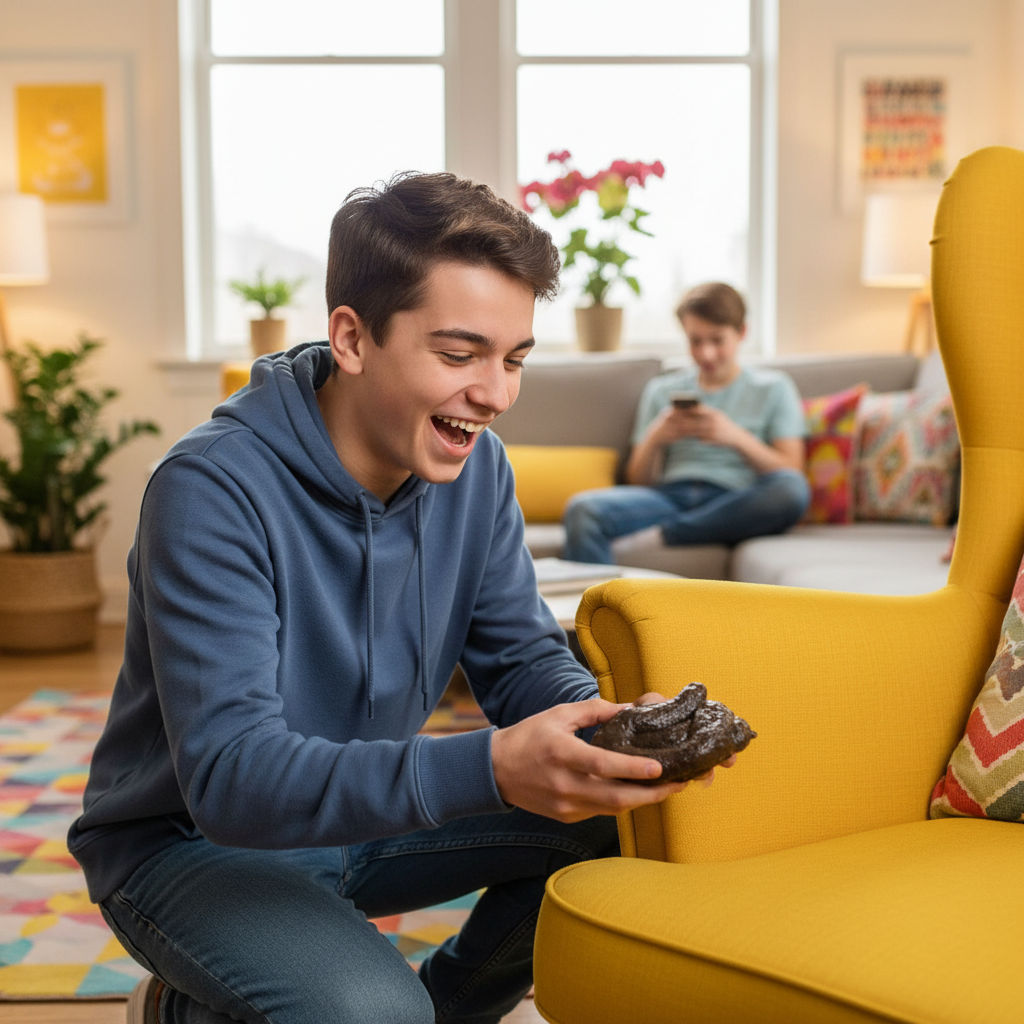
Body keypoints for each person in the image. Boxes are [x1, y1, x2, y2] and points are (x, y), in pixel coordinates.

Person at [68, 173, 738, 1024]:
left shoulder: (477, 467)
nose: (494, 394)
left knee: (630, 825)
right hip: (194, 844)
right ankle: (178, 1010)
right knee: (371, 1016)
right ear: (351, 337)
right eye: (460, 356)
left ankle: (447, 1011)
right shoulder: (210, 489)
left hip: (357, 815)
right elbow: (232, 779)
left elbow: (521, 658)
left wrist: (604, 735)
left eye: (514, 359)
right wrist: (492, 764)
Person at [562, 282, 810, 565]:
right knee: (583, 509)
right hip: (670, 497)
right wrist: (657, 437)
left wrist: (735, 437)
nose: (706, 354)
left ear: (742, 332)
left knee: (791, 490)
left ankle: (666, 535)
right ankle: (597, 609)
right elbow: (639, 480)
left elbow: (792, 469)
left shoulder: (774, 387)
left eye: (717, 340)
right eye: (696, 341)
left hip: (735, 499)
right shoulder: (660, 390)